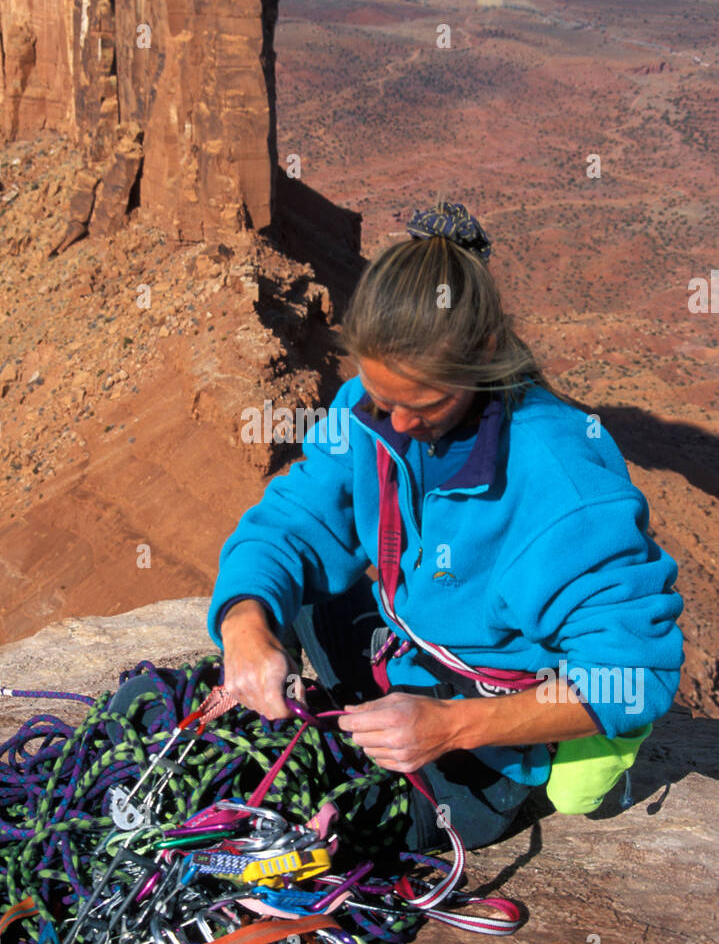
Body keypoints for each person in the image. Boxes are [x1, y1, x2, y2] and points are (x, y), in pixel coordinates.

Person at [207, 203, 684, 853]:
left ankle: (564, 756)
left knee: (311, 826)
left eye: (422, 404)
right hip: (411, 644)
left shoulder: (562, 488)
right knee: (275, 608)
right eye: (381, 397)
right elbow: (293, 521)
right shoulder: (369, 411)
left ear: (481, 355)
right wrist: (243, 626)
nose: (395, 425)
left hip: (495, 726)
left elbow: (634, 674)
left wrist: (452, 726)